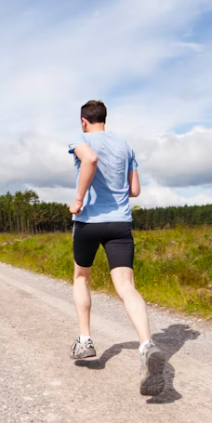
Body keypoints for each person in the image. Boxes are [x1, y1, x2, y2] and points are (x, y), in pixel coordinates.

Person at [67, 100, 165, 396]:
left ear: (84, 121)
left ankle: (85, 340)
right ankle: (146, 344)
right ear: (104, 119)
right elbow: (134, 190)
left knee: (81, 277)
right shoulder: (125, 145)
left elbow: (90, 159)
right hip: (120, 223)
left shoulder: (79, 139)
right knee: (126, 286)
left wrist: (79, 199)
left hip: (88, 222)